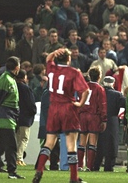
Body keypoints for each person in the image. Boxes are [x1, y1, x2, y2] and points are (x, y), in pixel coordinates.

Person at [32, 48, 90, 183]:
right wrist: (80, 104)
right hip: (68, 107)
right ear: (69, 59)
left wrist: (54, 52)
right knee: (71, 145)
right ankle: (74, 178)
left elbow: (48, 59)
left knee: (49, 143)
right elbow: (85, 90)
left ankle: (39, 170)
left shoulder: (52, 69)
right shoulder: (73, 72)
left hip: (54, 108)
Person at [77, 66, 107, 171]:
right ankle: (89, 166)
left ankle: (80, 165)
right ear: (99, 77)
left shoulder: (83, 86)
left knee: (82, 141)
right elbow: (102, 105)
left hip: (82, 115)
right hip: (94, 116)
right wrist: (104, 119)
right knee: (92, 142)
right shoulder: (100, 89)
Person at [93, 76, 126, 172]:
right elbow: (124, 108)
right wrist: (123, 121)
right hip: (112, 120)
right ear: (113, 83)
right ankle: (109, 166)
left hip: (98, 119)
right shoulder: (118, 95)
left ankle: (96, 165)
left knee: (99, 143)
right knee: (112, 143)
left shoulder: (98, 93)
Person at [15, 69, 37, 167]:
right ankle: (19, 158)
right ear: (24, 77)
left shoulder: (13, 87)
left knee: (17, 139)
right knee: (23, 139)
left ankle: (14, 158)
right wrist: (33, 113)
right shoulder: (26, 89)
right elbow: (31, 104)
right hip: (25, 118)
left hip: (15, 117)